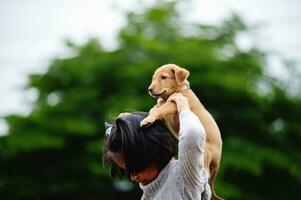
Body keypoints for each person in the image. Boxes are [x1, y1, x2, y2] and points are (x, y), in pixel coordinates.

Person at [102, 93, 211, 199]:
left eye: (136, 168)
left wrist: (183, 108)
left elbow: (192, 133)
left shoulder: (184, 177)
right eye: (128, 171)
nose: (134, 177)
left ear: (153, 152)